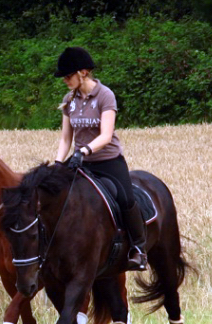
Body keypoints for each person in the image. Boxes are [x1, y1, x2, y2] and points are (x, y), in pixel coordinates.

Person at [54, 46, 147, 271]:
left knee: (125, 199)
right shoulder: (69, 100)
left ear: (83, 72)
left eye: (68, 75)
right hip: (81, 162)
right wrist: (58, 164)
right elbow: (66, 138)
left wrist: (84, 151)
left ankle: (139, 248)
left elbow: (106, 136)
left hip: (108, 161)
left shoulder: (105, 95)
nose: (65, 80)